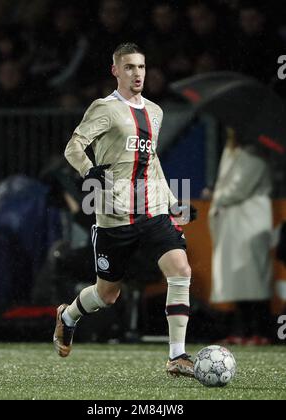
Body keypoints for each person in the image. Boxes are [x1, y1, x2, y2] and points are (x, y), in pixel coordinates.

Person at [53, 43, 194, 377]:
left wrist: (173, 202)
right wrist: (88, 170)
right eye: (129, 67)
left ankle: (177, 355)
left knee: (180, 269)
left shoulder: (156, 112)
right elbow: (73, 146)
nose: (137, 74)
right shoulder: (104, 108)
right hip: (114, 215)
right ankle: (68, 316)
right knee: (107, 294)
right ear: (115, 70)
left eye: (141, 67)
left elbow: (152, 162)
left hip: (152, 210)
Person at [209, 127, 273, 344]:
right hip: (237, 223)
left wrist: (215, 195)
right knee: (239, 280)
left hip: (250, 223)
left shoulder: (253, 156)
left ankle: (259, 332)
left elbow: (238, 189)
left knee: (252, 280)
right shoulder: (236, 153)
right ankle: (243, 331)